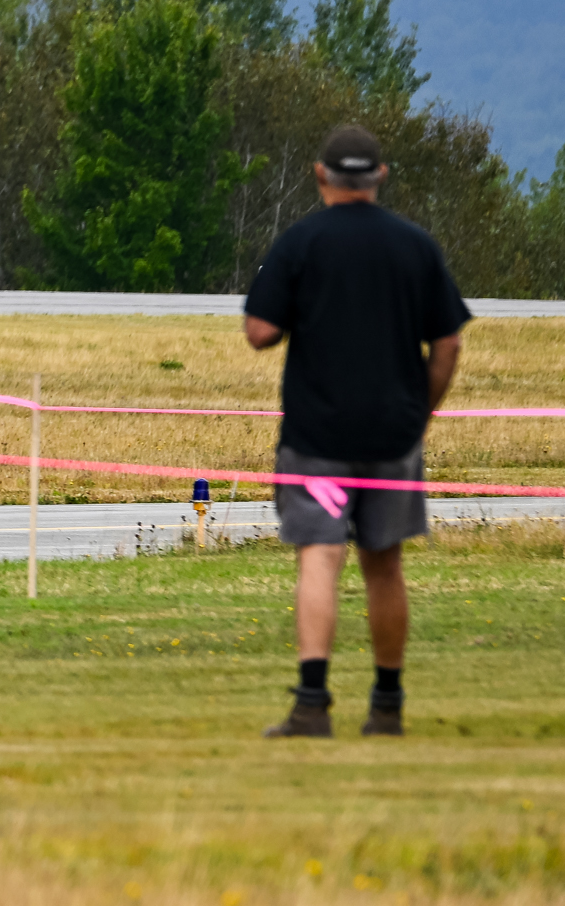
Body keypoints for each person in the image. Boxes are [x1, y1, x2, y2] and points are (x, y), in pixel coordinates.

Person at [244, 122, 471, 739]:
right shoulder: (416, 246)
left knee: (320, 558)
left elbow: (260, 331)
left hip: (317, 439)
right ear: (380, 177)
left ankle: (312, 705)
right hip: (393, 437)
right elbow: (449, 342)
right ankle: (387, 706)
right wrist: (419, 413)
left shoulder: (300, 241)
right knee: (384, 564)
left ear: (320, 175)